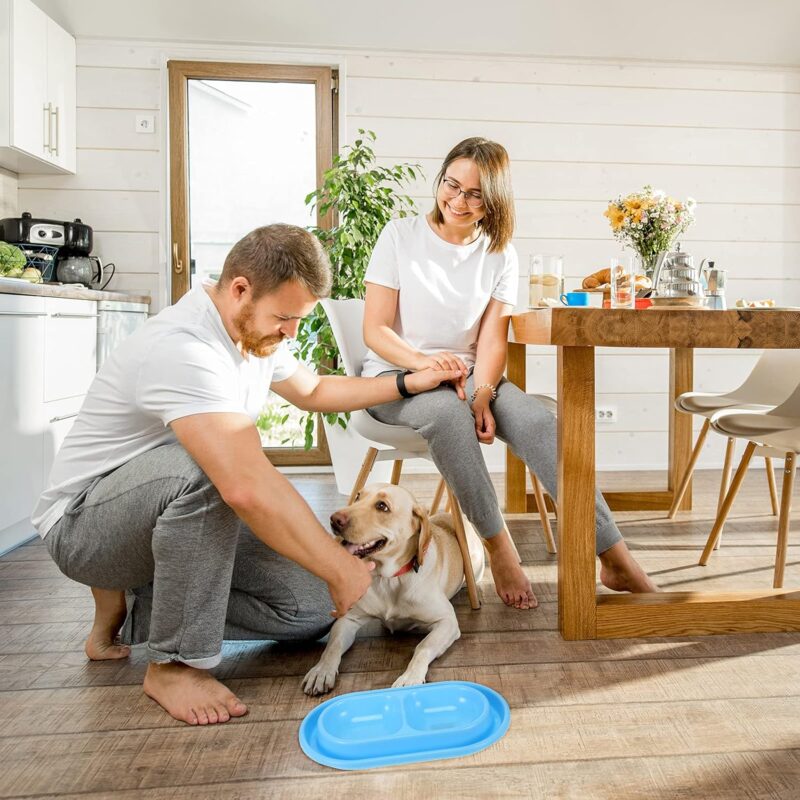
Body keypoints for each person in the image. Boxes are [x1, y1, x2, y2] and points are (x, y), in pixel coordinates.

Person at [31, 224, 461, 726]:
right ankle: (174, 663)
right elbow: (242, 484)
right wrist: (340, 565)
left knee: (311, 608)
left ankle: (138, 609)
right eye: (285, 317)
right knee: (217, 470)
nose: (291, 333)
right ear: (240, 289)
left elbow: (316, 391)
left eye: (298, 319)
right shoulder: (184, 347)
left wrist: (410, 381)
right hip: (84, 528)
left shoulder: (253, 335)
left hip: (164, 524)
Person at [361, 137, 657, 610]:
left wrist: (482, 393)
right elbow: (375, 330)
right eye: (451, 185)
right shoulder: (399, 236)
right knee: (445, 415)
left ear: (494, 200)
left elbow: (493, 338)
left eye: (474, 194)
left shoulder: (500, 252)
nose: (458, 201)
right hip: (397, 376)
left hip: (470, 376)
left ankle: (614, 554)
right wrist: (427, 365)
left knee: (540, 423)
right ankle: (500, 548)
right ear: (439, 181)